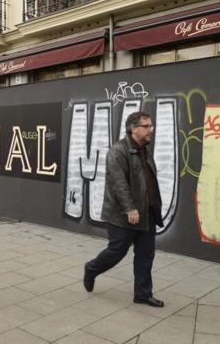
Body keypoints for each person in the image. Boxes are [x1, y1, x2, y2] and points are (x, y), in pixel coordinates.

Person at [83, 111, 165, 308]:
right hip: (124, 215)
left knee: (146, 255)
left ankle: (143, 294)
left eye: (151, 126)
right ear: (133, 128)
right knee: (117, 251)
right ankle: (92, 269)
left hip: (148, 213)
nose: (150, 130)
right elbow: (119, 183)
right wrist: (130, 208)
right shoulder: (118, 151)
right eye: (146, 126)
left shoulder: (144, 148)